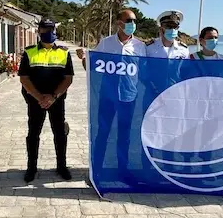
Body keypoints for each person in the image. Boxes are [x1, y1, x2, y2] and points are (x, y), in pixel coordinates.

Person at [75, 9, 146, 177]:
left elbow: (145, 70)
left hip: (129, 98)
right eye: (129, 21)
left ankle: (123, 171)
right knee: (103, 133)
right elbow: (92, 67)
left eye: (134, 21)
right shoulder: (106, 44)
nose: (132, 25)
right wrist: (84, 59)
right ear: (119, 23)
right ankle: (96, 170)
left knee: (124, 136)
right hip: (107, 96)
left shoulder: (140, 46)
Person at [18, 17, 74, 182]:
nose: (48, 33)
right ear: (39, 31)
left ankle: (62, 167)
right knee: (33, 134)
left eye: (51, 29)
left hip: (57, 100)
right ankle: (31, 168)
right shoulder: (29, 52)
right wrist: (39, 97)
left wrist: (53, 96)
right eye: (44, 30)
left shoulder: (64, 52)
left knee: (60, 133)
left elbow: (68, 78)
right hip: (35, 101)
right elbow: (24, 78)